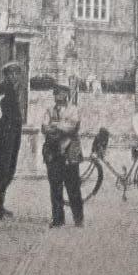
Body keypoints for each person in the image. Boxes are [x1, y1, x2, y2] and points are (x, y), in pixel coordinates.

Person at [41, 84, 84, 228]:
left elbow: (72, 127)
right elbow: (44, 127)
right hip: (52, 152)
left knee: (73, 186)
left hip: (69, 152)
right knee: (55, 186)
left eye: (62, 93)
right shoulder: (49, 110)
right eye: (56, 93)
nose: (59, 96)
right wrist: (58, 127)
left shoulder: (74, 109)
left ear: (67, 95)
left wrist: (55, 126)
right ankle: (58, 219)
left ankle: (78, 218)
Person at [0, 61, 24, 219]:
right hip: (3, 135)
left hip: (14, 134)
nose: (14, 76)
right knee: (0, 170)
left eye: (17, 73)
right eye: (11, 73)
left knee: (9, 169)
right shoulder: (1, 88)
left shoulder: (16, 89)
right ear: (6, 74)